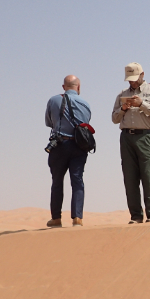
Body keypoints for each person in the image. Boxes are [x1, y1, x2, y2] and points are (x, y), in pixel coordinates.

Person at [112, 62, 150, 224]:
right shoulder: (122, 94)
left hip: (146, 136)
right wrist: (124, 108)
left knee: (148, 176)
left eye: (134, 79)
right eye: (129, 79)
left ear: (142, 75)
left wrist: (142, 104)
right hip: (126, 137)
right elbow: (114, 119)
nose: (132, 82)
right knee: (130, 178)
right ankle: (135, 216)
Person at [44, 75, 92, 227]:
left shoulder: (53, 100)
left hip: (59, 144)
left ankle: (56, 218)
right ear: (78, 87)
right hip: (79, 146)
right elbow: (87, 122)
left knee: (57, 181)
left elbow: (48, 122)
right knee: (77, 181)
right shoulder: (85, 103)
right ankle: (77, 218)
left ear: (63, 87)